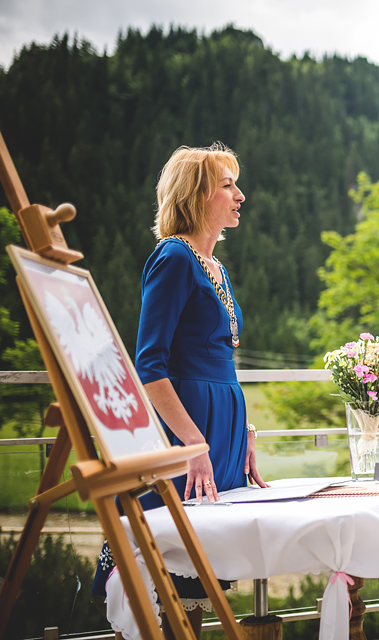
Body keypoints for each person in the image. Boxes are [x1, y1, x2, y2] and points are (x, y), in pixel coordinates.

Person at [92, 142, 269, 638]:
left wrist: (243, 427)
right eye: (228, 185)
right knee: (168, 578)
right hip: (188, 438)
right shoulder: (173, 257)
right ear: (196, 196)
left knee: (199, 582)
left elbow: (217, 360)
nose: (241, 195)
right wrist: (193, 444)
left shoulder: (218, 267)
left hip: (221, 437)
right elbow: (150, 367)